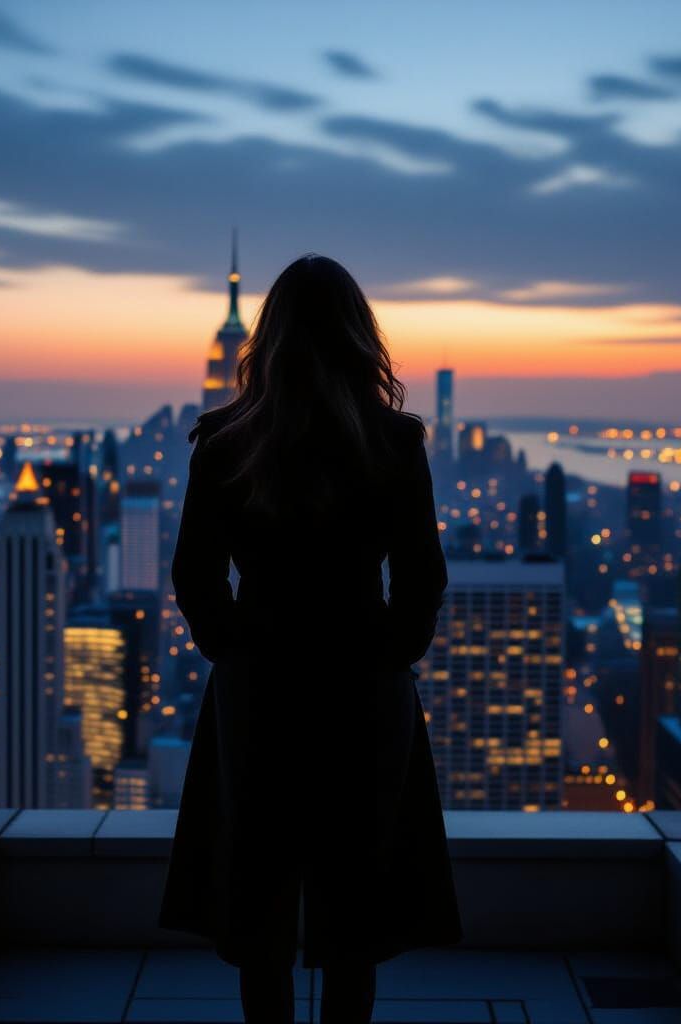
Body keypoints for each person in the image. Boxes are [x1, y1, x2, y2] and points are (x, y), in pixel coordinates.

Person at [158, 253, 462, 1023]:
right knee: (355, 908)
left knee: (259, 901)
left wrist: (237, 650)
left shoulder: (223, 441)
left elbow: (195, 578)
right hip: (363, 687)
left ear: (271, 339)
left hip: (259, 692)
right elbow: (422, 579)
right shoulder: (394, 443)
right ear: (361, 337)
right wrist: (386, 655)